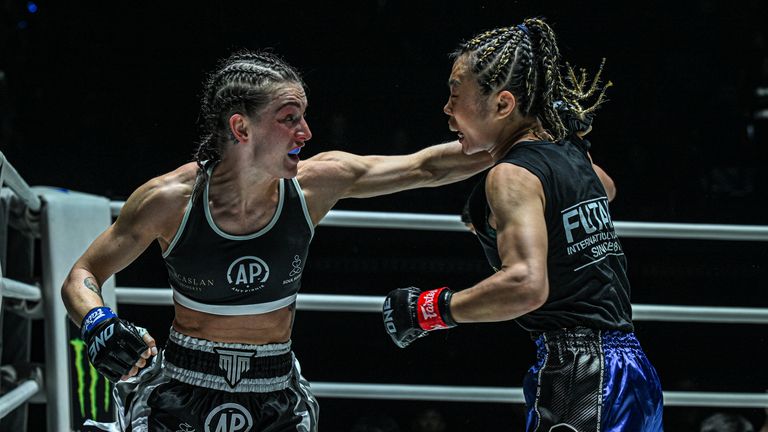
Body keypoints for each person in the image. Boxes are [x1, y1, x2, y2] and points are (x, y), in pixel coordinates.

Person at [60, 50, 493, 431]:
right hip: (180, 389)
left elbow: (427, 168)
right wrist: (97, 322)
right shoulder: (170, 200)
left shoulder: (313, 186)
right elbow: (83, 274)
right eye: (289, 118)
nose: (306, 132)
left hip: (275, 393)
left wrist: (516, 135)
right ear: (241, 127)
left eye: (302, 117)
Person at [382, 18, 663, 431]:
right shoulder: (567, 154)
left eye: (455, 95)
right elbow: (605, 188)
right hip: (632, 369)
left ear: (502, 105)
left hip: (582, 375)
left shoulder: (511, 174)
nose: (447, 109)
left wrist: (432, 310)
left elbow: (526, 285)